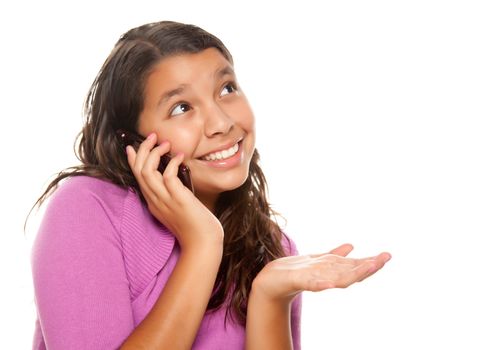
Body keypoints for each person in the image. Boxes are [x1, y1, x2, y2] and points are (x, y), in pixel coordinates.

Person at [29, 20, 391, 350]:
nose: (220, 122)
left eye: (227, 87)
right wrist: (202, 245)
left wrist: (270, 296)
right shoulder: (87, 209)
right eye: (181, 108)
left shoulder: (273, 248)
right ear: (135, 142)